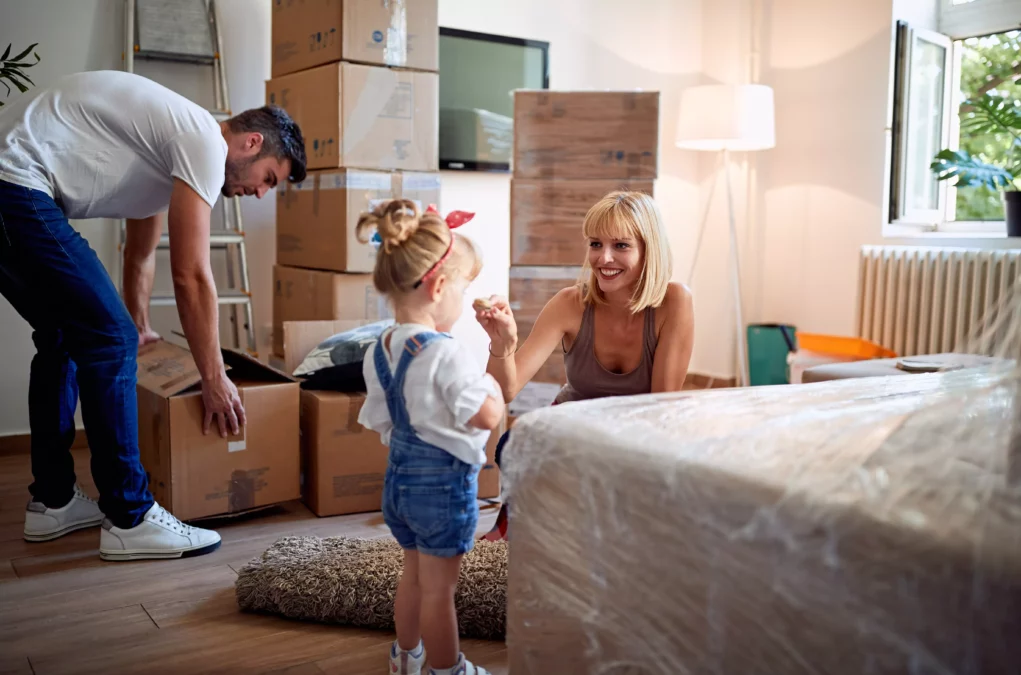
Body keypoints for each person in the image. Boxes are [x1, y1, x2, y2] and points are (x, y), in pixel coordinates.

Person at [0, 70, 307, 560]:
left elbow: (141, 255)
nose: (261, 193)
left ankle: (52, 501)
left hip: (10, 189)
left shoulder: (171, 155)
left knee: (62, 334)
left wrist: (140, 324)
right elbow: (191, 275)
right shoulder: (204, 140)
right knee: (107, 337)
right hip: (14, 184)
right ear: (251, 142)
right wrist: (214, 378)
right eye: (269, 177)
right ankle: (130, 516)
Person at [475, 190, 695, 539]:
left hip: (638, 430)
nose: (604, 258)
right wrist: (502, 342)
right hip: (572, 424)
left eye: (621, 246)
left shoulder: (674, 302)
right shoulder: (569, 303)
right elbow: (504, 390)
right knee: (515, 445)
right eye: (595, 244)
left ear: (647, 249)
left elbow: (660, 408)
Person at [356, 200, 502, 675]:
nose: (463, 298)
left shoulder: (379, 348)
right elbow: (485, 415)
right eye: (462, 287)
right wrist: (495, 389)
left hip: (398, 486)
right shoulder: (446, 354)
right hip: (441, 490)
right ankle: (448, 669)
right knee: (441, 592)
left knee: (413, 577)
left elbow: (382, 420)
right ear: (439, 287)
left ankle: (406, 656)